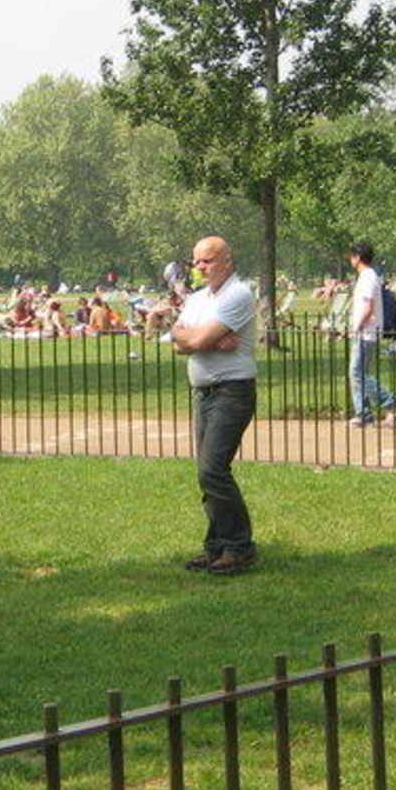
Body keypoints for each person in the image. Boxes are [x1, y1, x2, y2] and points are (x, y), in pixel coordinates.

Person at [172, 235, 257, 574]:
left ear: (227, 260)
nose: (199, 267)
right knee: (206, 473)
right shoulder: (197, 299)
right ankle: (217, 546)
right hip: (204, 392)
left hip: (231, 391)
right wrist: (198, 339)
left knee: (212, 470)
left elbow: (195, 339)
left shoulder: (239, 294)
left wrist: (197, 338)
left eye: (206, 260)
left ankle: (239, 547)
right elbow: (178, 340)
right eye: (196, 261)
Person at [344, 240, 396, 426]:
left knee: (357, 373)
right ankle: (364, 414)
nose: (350, 259)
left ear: (358, 257)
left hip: (366, 332)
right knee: (358, 373)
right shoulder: (367, 276)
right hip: (365, 332)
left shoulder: (368, 277)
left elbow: (368, 307)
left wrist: (356, 327)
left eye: (352, 256)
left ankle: (391, 401)